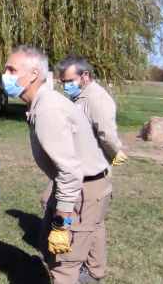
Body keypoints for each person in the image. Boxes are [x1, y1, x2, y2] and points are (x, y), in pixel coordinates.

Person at [2, 46, 112, 284]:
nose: (6, 75)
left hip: (83, 188)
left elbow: (71, 172)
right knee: (47, 245)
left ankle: (80, 274)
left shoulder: (48, 109)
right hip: (73, 184)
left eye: (12, 70)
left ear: (32, 74)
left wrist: (62, 224)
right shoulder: (41, 102)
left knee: (65, 262)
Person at [55, 55, 127, 282]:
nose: (66, 85)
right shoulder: (81, 96)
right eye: (63, 81)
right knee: (95, 222)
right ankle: (95, 269)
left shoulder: (97, 99)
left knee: (87, 224)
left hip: (92, 175)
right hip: (81, 171)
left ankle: (85, 270)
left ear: (85, 75)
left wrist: (114, 154)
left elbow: (107, 134)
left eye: (69, 80)